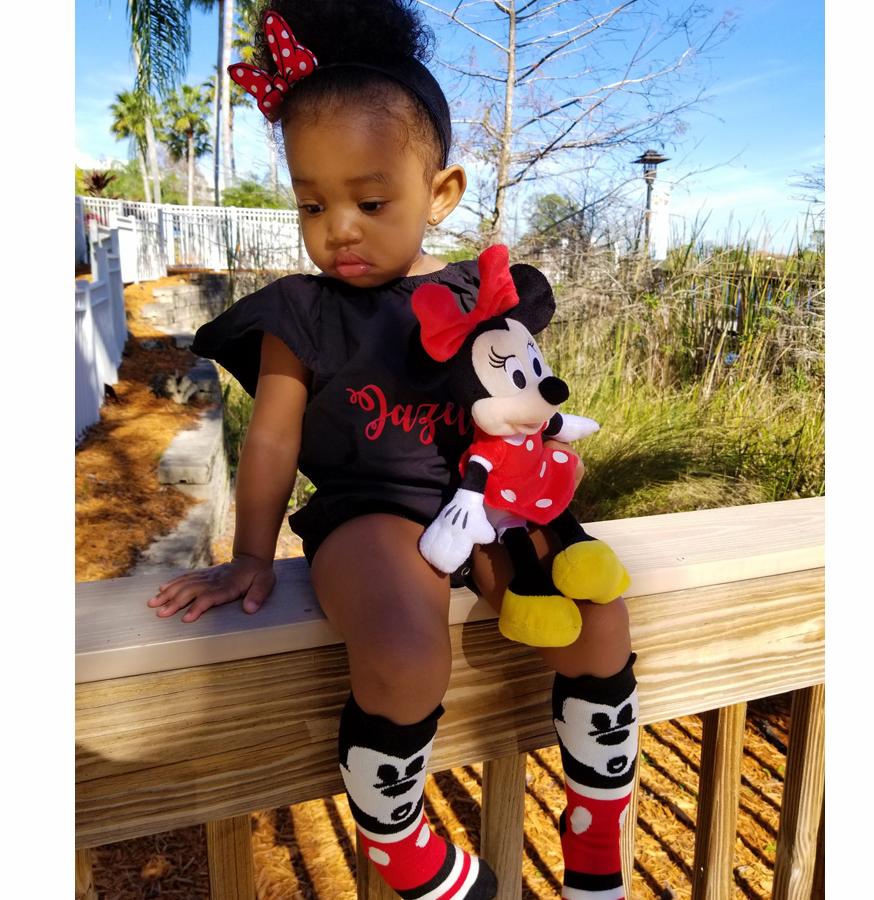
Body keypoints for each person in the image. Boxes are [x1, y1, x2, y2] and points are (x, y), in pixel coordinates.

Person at [148, 3, 638, 899]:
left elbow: (519, 399)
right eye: (313, 203)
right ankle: (403, 846)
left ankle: (597, 840)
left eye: (370, 202)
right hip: (370, 516)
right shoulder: (302, 313)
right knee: (407, 654)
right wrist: (250, 554)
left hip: (480, 503)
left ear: (439, 192)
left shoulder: (477, 296)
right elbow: (273, 438)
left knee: (598, 616)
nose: (339, 226)